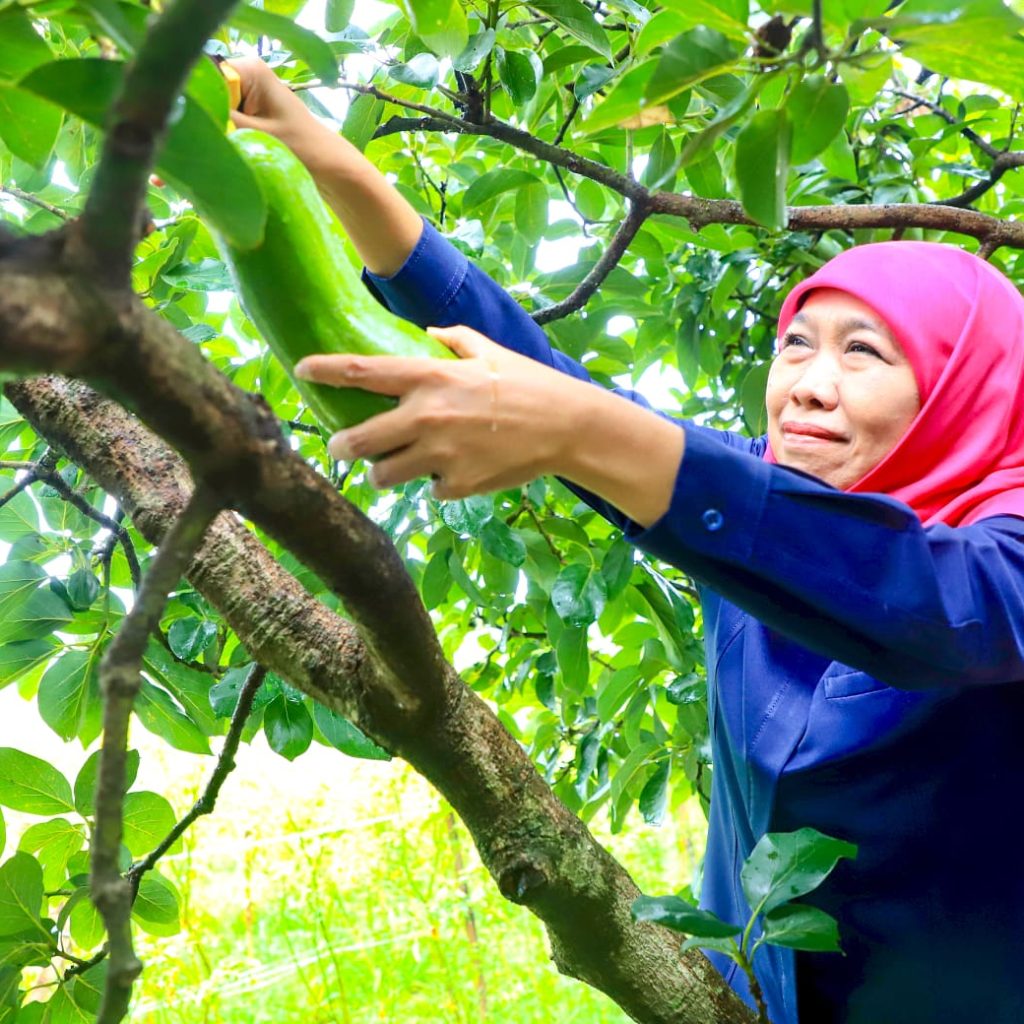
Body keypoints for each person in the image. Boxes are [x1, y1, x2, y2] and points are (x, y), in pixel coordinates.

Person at [227, 59, 1024, 1024]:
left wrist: (580, 431)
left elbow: (946, 609)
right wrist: (313, 146)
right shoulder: (745, 493)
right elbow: (528, 364)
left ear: (965, 388)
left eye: (865, 351)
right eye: (797, 345)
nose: (809, 385)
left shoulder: (997, 550)